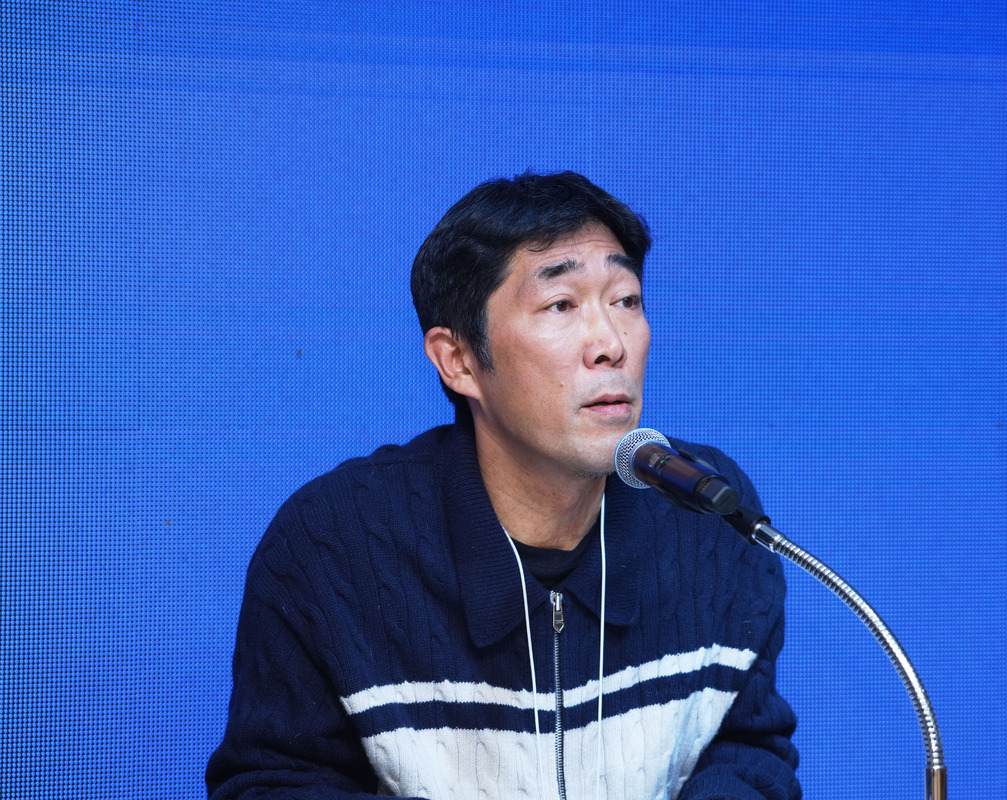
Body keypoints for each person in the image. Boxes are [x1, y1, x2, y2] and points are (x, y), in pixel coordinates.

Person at [206, 171, 802, 800]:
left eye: (626, 300)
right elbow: (273, 785)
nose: (610, 344)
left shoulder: (710, 511)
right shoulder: (332, 547)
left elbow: (748, 748)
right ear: (459, 360)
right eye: (561, 305)